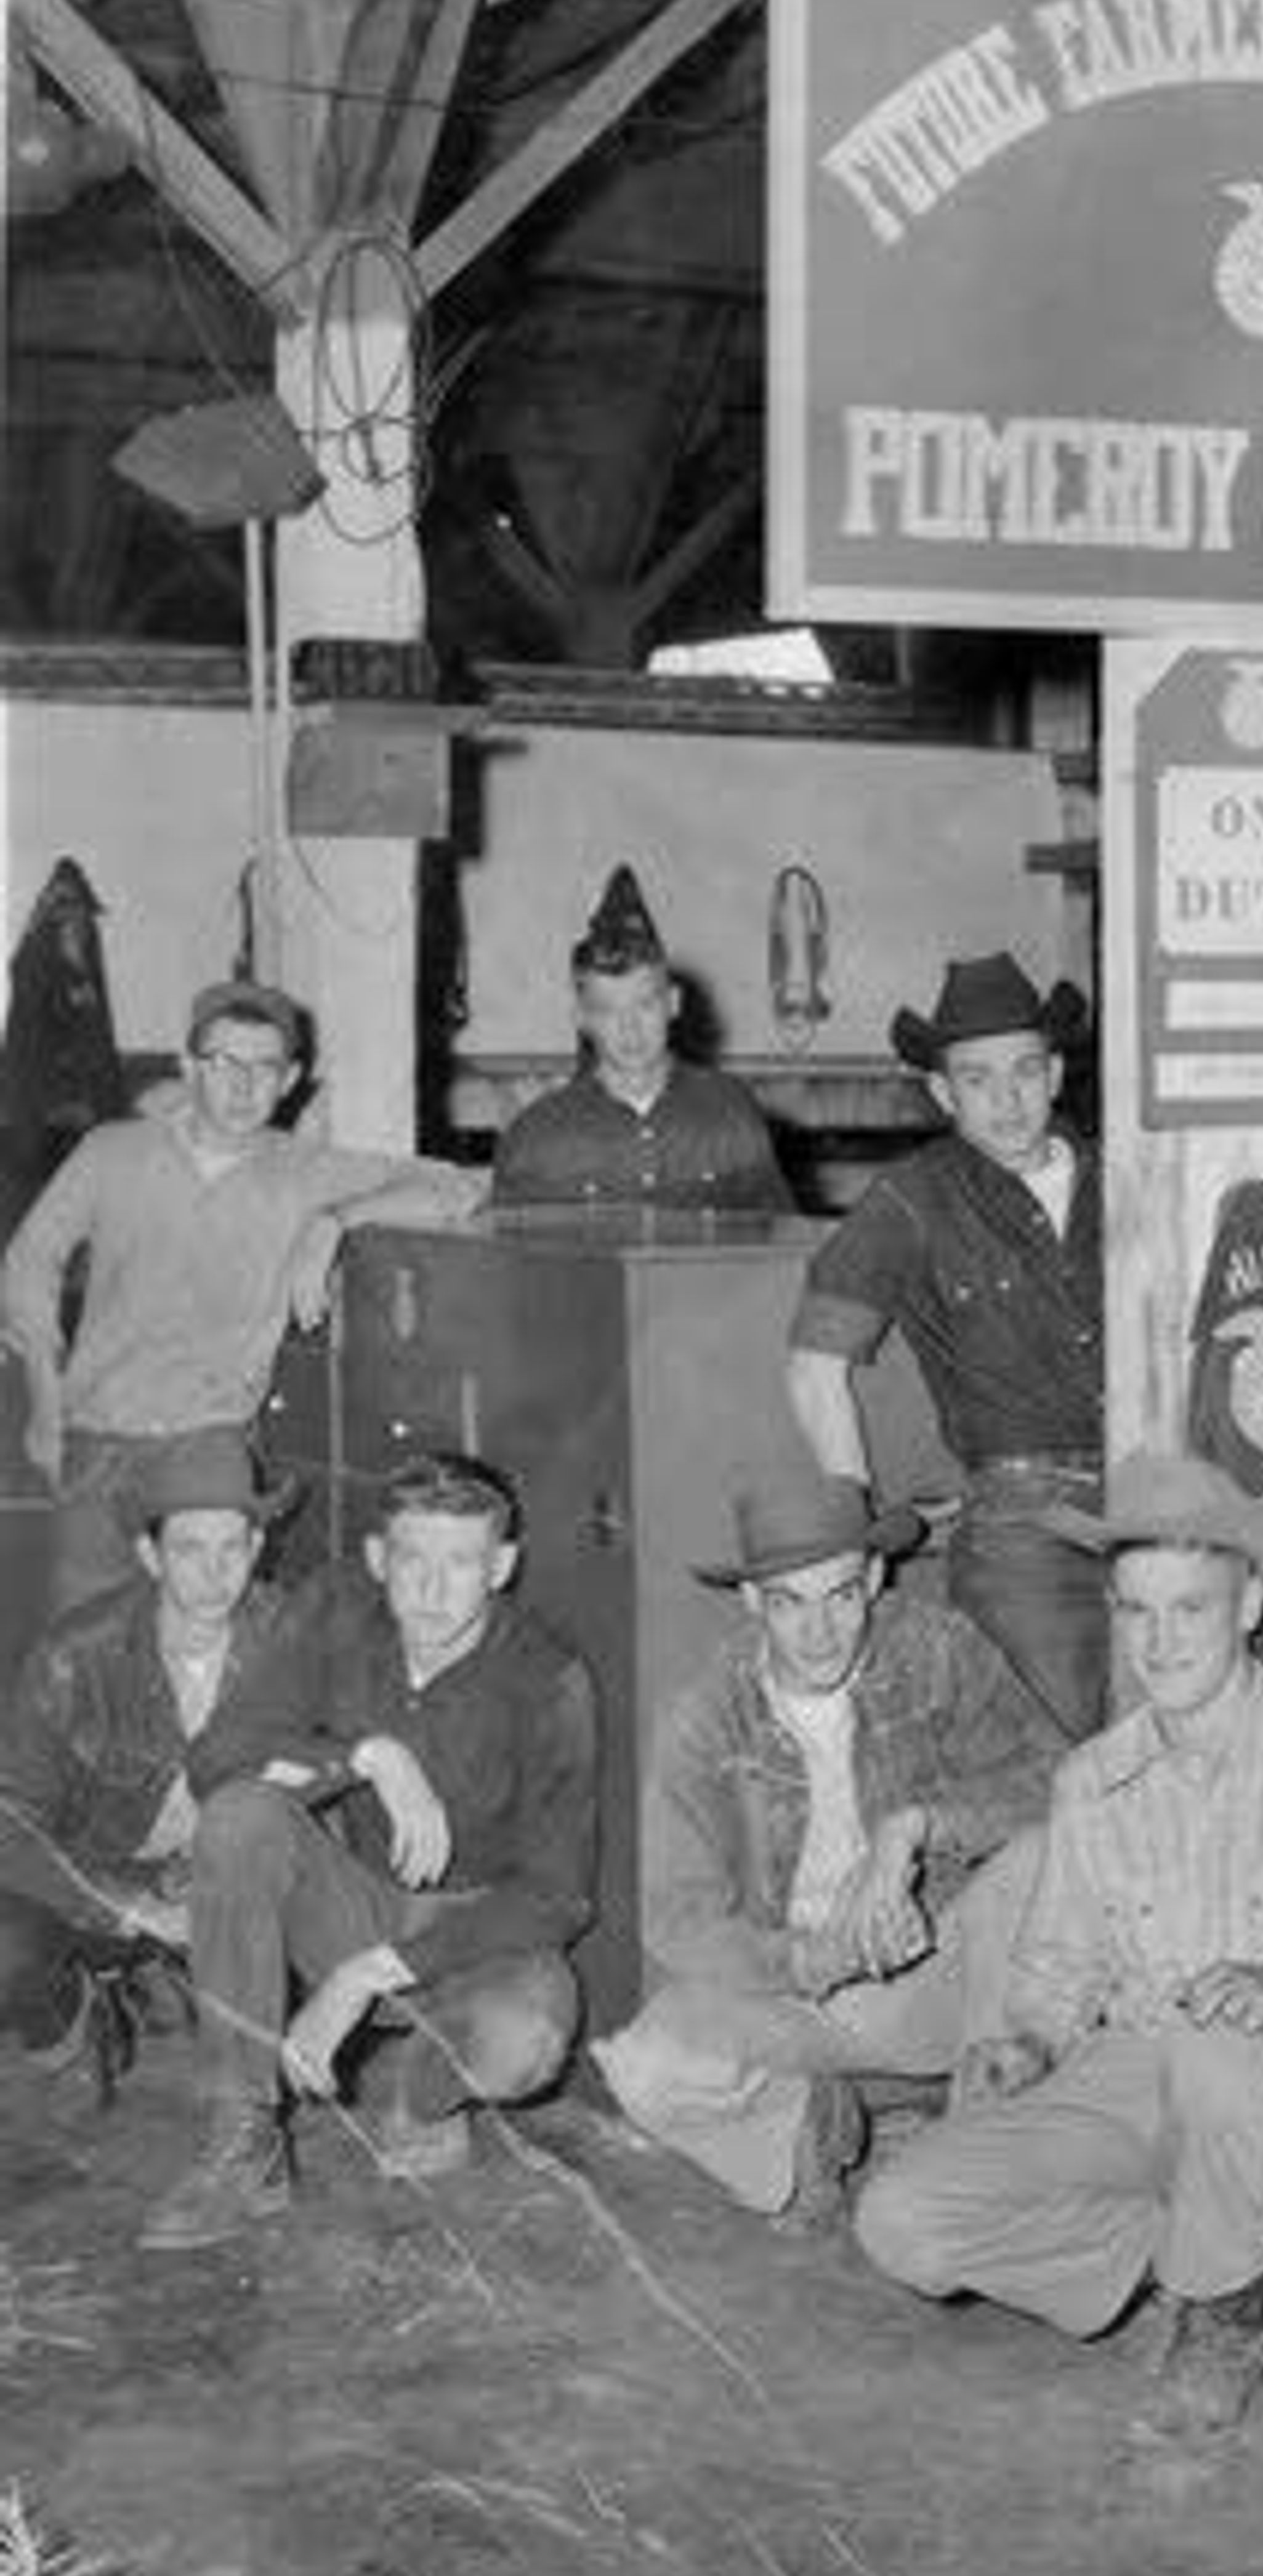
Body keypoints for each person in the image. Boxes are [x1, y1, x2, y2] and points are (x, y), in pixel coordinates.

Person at [853, 1453, 1263, 2442]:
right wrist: (1027, 2044)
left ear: (1250, 1602)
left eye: (1190, 1608)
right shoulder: (1091, 1779)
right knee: (901, 2221)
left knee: (1220, 2056)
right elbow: (1055, 1971)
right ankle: (1182, 2250)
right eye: (1135, 1610)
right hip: (1135, 2081)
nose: (1159, 1641)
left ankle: (1224, 2325)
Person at [141, 1453, 595, 2252]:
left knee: (523, 2040)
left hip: (481, 1936)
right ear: (380, 1557)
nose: (433, 1587)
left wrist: (363, 1974)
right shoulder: (335, 1611)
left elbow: (556, 1897)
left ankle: (419, 2095)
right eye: (413, 1558)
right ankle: (243, 2136)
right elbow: (217, 1759)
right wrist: (368, 1754)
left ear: (502, 1565)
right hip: (355, 1902)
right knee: (241, 1817)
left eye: (462, 1562)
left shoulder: (548, 1678)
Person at [590, 1464, 1060, 2217]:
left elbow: (1058, 1784)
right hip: (802, 1997)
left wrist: (914, 1830)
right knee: (646, 2065)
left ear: (874, 1577)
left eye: (841, 1596)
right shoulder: (707, 1716)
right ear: (751, 1602)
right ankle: (821, 2119)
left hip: (940, 1971)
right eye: (789, 1604)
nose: (819, 1632)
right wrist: (806, 1960)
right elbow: (678, 1919)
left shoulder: (936, 1649)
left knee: (1042, 1860)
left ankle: (979, 2125)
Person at [1, 974, 485, 1616]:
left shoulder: (303, 1171)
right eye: (225, 1063)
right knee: (84, 1643)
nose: (243, 1086)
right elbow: (29, 1261)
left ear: (290, 1082)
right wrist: (43, 1394)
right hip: (95, 1438)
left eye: (265, 1068)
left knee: (204, 1634)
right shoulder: (112, 1153)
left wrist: (333, 1221)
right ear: (188, 1068)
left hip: (210, 1445)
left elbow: (461, 1187)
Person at [786, 952, 1107, 1742]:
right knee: (1047, 1760)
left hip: (1158, 1492)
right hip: (1023, 1526)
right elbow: (814, 1367)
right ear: (942, 1092)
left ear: (1057, 1073)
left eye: (1025, 1071)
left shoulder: (1128, 1175)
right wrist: (854, 1521)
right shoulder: (912, 1199)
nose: (1007, 1100)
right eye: (977, 1079)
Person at [0, 1429, 293, 2106]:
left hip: (230, 1879)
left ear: (257, 1547)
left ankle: (170, 1986)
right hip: (100, 1883)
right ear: (149, 1554)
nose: (215, 1574)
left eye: (232, 1548)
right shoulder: (76, 1655)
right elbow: (10, 1819)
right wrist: (130, 1908)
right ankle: (76, 2024)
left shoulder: (295, 1640)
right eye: (189, 1548)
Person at [491, 864, 788, 1214]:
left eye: (645, 1005)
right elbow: (513, 1260)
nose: (630, 1028)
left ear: (674, 1004)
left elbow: (782, 1239)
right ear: (582, 1019)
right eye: (607, 1010)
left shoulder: (730, 1113)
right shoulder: (539, 1136)